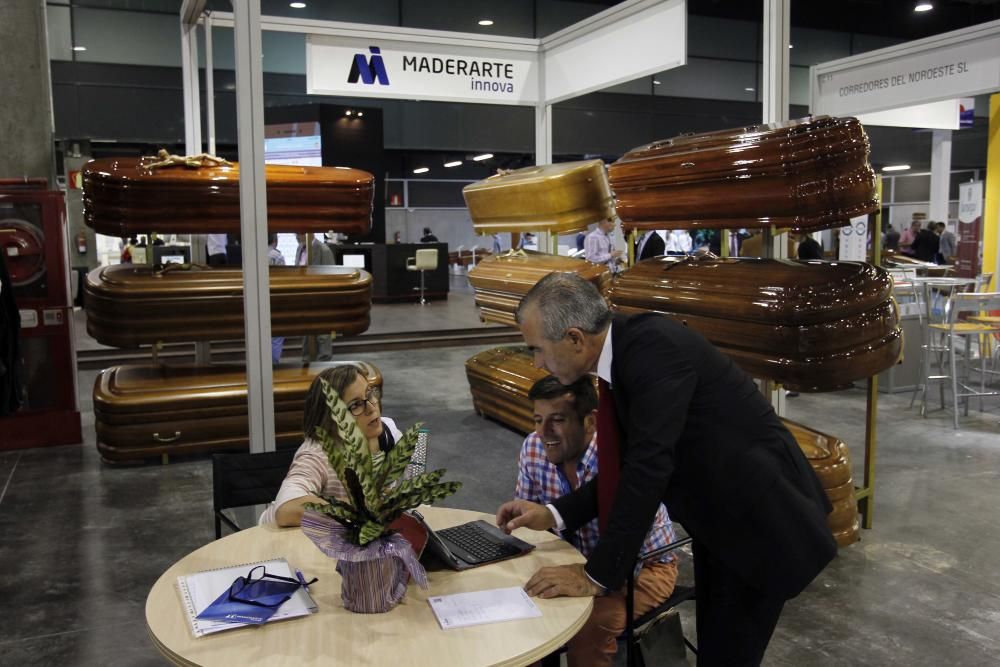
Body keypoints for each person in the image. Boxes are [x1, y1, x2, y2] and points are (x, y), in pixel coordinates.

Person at [496, 272, 836, 666]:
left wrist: (594, 576)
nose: (537, 363)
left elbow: (646, 470)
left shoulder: (651, 351)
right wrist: (554, 513)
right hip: (721, 522)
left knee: (729, 655)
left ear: (574, 338)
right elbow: (625, 467)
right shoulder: (623, 354)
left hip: (763, 522)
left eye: (537, 349)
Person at [517, 375, 677, 666]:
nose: (544, 432)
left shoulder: (621, 458)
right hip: (570, 558)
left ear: (590, 422)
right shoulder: (532, 448)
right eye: (538, 420)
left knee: (587, 629)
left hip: (642, 568)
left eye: (558, 420)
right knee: (520, 609)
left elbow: (629, 554)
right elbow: (531, 529)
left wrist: (586, 578)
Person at [259, 364, 404, 527]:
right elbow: (286, 509)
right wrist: (362, 504)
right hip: (280, 539)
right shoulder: (318, 453)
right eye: (355, 405)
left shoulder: (389, 434)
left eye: (369, 394)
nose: (371, 408)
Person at [296, 233, 337, 361]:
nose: (296, 237)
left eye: (300, 233)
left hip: (320, 302)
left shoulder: (323, 250)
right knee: (306, 336)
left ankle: (322, 372)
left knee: (322, 337)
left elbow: (331, 278)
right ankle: (306, 366)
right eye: (295, 234)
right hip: (304, 300)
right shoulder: (300, 249)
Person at [267, 233, 286, 365]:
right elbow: (283, 279)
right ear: (275, 240)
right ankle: (273, 365)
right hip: (274, 299)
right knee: (276, 335)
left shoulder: (253, 253)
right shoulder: (277, 256)